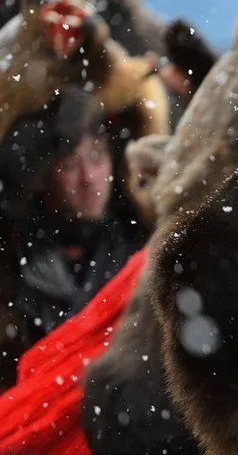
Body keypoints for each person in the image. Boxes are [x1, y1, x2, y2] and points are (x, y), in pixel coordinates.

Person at [0, 109, 145, 387]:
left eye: (96, 157)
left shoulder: (137, 246)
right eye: (69, 165)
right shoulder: (12, 262)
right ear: (42, 177)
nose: (88, 177)